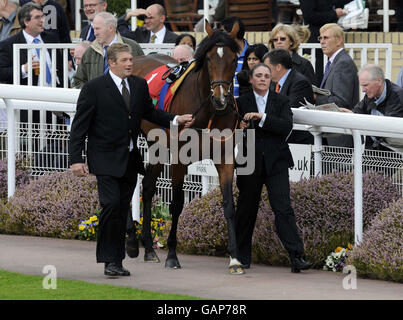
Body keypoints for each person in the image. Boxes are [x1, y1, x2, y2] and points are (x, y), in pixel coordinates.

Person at [69, 43, 194, 277]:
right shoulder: (94, 88)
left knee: (119, 206)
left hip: (129, 159)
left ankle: (116, 260)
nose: (130, 64)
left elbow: (151, 113)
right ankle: (110, 260)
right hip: (104, 159)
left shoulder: (138, 85)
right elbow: (79, 127)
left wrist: (176, 119)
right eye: (125, 60)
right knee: (112, 205)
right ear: (112, 63)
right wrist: (76, 159)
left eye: (131, 60)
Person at [235, 63, 312, 273]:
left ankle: (297, 256)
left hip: (276, 161)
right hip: (248, 160)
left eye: (266, 76)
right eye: (258, 75)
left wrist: (263, 118)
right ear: (251, 79)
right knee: (246, 209)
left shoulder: (281, 101)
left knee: (283, 209)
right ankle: (241, 256)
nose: (262, 79)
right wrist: (238, 128)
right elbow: (230, 129)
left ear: (271, 80)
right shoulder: (240, 102)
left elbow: (285, 126)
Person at [73, 11, 144, 89]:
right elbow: (78, 81)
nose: (95, 33)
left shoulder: (133, 47)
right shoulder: (90, 51)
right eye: (94, 29)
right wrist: (91, 94)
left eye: (98, 29)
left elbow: (144, 75)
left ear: (110, 28)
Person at [340, 64, 403, 151]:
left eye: (365, 85)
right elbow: (358, 111)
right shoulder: (371, 94)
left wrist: (358, 119)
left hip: (395, 155)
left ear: (379, 81)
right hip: (374, 152)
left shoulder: (397, 96)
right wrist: (349, 114)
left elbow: (389, 128)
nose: (363, 90)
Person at [316, 23, 359, 147]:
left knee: (338, 167)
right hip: (332, 131)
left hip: (339, 135)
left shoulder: (343, 63)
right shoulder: (335, 61)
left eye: (326, 38)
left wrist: (315, 97)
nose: (322, 42)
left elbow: (341, 101)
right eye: (320, 38)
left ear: (339, 40)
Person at [263, 48, 314, 144]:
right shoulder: (274, 83)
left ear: (278, 67)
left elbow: (288, 111)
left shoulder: (299, 82)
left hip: (298, 142)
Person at [299, 0, 349, 84]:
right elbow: (309, 15)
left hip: (332, 43)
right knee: (319, 76)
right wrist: (334, 14)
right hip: (316, 42)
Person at [219, 16, 248, 98]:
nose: (220, 37)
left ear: (234, 31)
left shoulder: (253, 55)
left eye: (222, 32)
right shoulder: (221, 56)